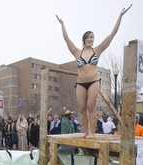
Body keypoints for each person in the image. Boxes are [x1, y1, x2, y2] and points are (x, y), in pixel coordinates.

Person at [56, 4, 132, 139]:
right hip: (80, 83)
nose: (91, 39)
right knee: (81, 108)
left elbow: (112, 34)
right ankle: (85, 131)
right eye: (89, 37)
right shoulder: (76, 52)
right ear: (84, 39)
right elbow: (66, 39)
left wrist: (120, 16)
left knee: (91, 107)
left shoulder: (97, 50)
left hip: (93, 81)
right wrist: (62, 24)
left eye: (92, 37)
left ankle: (92, 132)